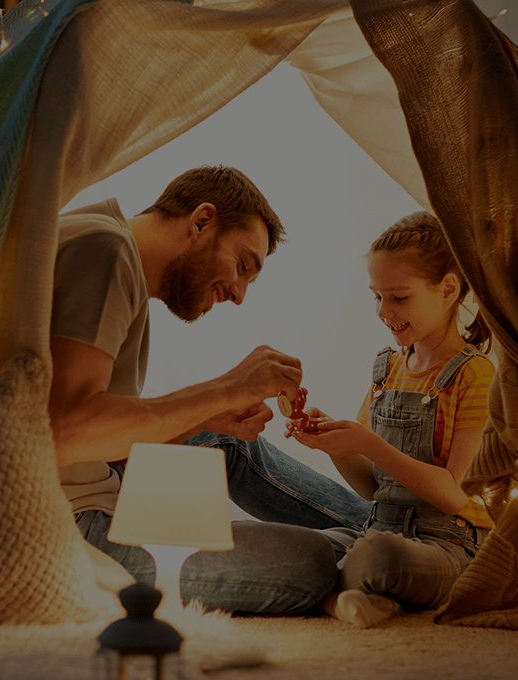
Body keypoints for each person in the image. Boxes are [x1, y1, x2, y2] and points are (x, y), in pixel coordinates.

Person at [47, 165, 369, 615]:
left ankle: (388, 534)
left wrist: (209, 417)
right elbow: (65, 433)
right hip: (71, 524)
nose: (238, 296)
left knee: (220, 440)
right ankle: (390, 546)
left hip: (94, 484)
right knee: (310, 563)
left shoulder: (105, 241)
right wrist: (228, 387)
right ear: (201, 221)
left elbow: (83, 433)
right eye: (242, 265)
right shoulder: (105, 251)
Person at [288, 212, 496, 628]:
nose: (384, 311)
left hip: (447, 546)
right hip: (376, 528)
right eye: (376, 296)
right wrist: (334, 444)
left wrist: (368, 443)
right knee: (288, 547)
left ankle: (329, 598)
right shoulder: (387, 368)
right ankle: (346, 593)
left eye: (399, 297)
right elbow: (372, 487)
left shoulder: (475, 374)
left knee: (377, 556)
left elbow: (456, 495)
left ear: (448, 289)